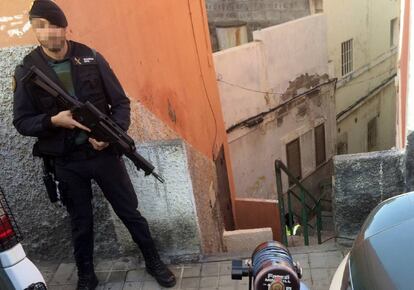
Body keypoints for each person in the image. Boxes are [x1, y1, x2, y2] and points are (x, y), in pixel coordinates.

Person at [12, 1, 176, 289]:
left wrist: (112, 134)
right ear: (34, 31)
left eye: (52, 25)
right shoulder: (27, 70)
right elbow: (22, 122)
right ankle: (86, 274)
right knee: (80, 221)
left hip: (103, 155)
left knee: (129, 213)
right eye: (40, 26)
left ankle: (153, 260)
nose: (48, 32)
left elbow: (121, 103)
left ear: (64, 27)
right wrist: (53, 121)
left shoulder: (90, 57)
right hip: (66, 162)